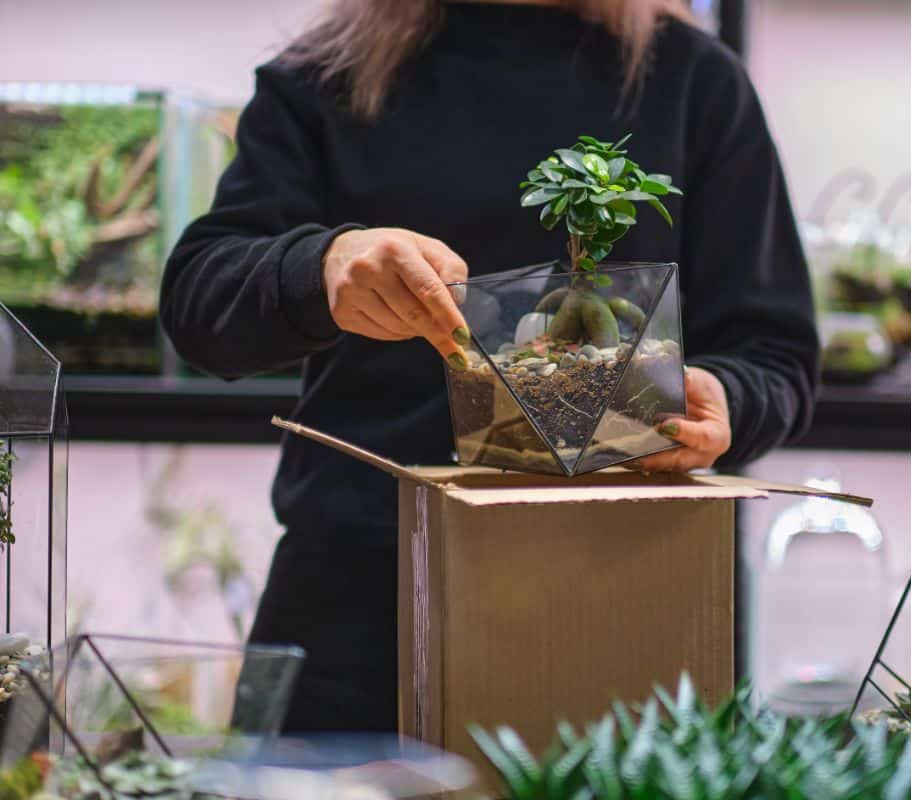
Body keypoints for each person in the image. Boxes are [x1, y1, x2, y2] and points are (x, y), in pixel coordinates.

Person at [161, 0, 818, 733]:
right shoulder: (329, 75)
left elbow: (774, 352)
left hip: (635, 598)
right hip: (365, 604)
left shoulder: (695, 82)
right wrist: (322, 265)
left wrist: (721, 398)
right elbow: (198, 304)